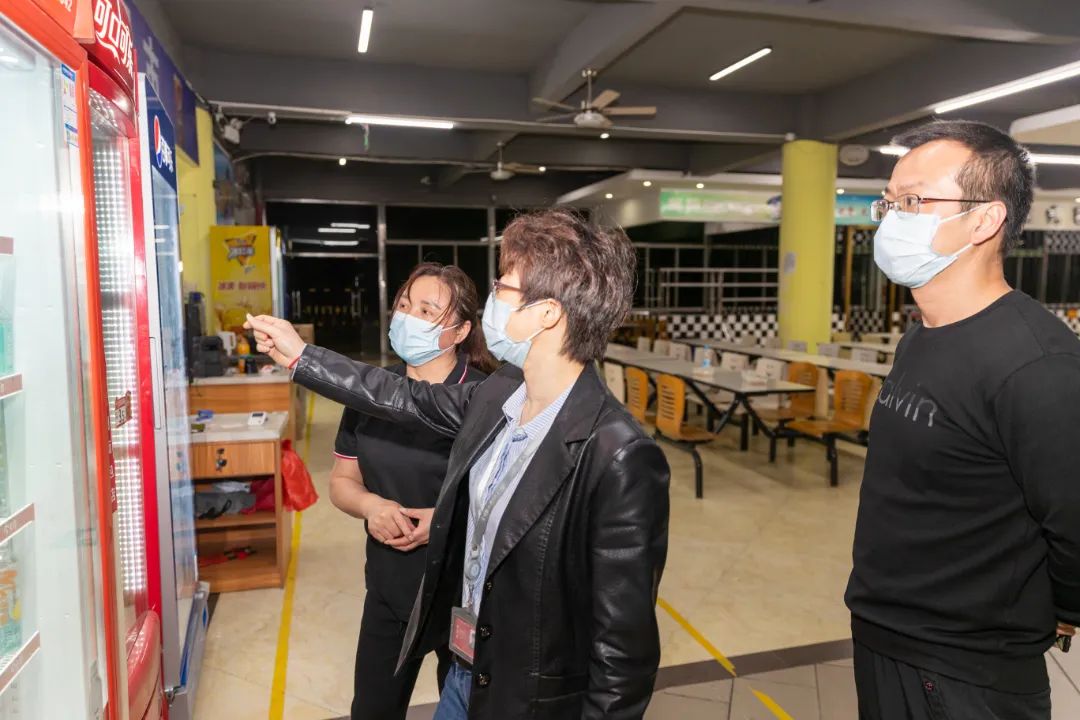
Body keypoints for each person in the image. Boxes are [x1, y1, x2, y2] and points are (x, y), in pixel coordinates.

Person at [247, 209, 670, 720]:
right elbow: (402, 397)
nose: (493, 296)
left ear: (547, 313)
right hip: (467, 673)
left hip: (523, 695)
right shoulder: (502, 392)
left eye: (504, 284)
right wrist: (302, 357)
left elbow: (623, 654)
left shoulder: (618, 454)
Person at [846, 119, 1080, 719]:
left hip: (967, 666)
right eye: (889, 203)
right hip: (884, 633)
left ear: (984, 220)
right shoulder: (921, 337)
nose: (892, 220)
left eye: (914, 202)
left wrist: (1063, 608)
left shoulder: (1038, 364)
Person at [331, 263, 493, 720]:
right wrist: (371, 506)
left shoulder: (484, 398)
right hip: (390, 585)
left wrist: (443, 521)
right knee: (373, 709)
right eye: (405, 305)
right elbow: (342, 482)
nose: (408, 317)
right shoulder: (370, 392)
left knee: (467, 710)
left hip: (464, 594)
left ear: (460, 331)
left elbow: (509, 500)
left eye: (427, 310)